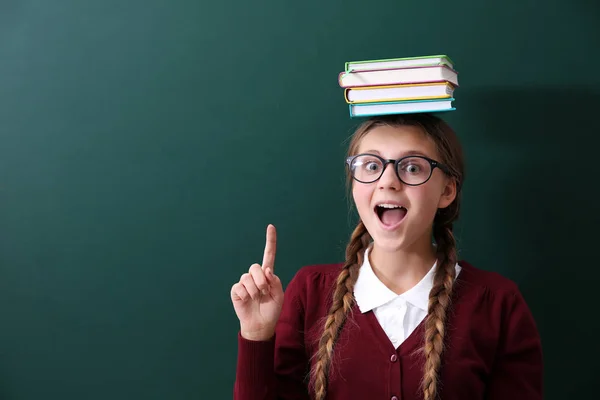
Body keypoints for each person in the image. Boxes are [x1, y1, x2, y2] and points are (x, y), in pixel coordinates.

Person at [230, 113, 543, 400]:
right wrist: (256, 335)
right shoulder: (309, 292)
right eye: (371, 165)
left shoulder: (498, 304)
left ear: (447, 191)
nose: (388, 181)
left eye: (412, 167)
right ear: (353, 184)